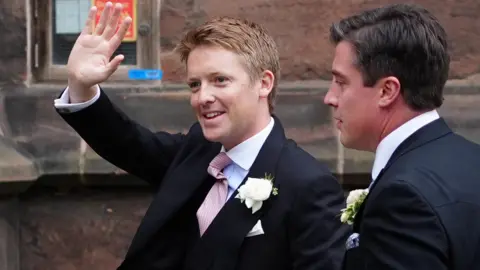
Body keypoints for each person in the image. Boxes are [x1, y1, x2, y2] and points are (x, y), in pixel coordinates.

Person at [54, 2, 350, 269]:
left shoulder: (309, 186)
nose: (202, 97)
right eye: (195, 85)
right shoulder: (199, 148)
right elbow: (129, 144)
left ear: (263, 83)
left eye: (220, 80)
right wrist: (81, 85)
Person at [324, 3, 480, 270]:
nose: (330, 98)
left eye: (341, 82)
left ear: (387, 91)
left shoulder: (403, 198)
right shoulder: (472, 158)